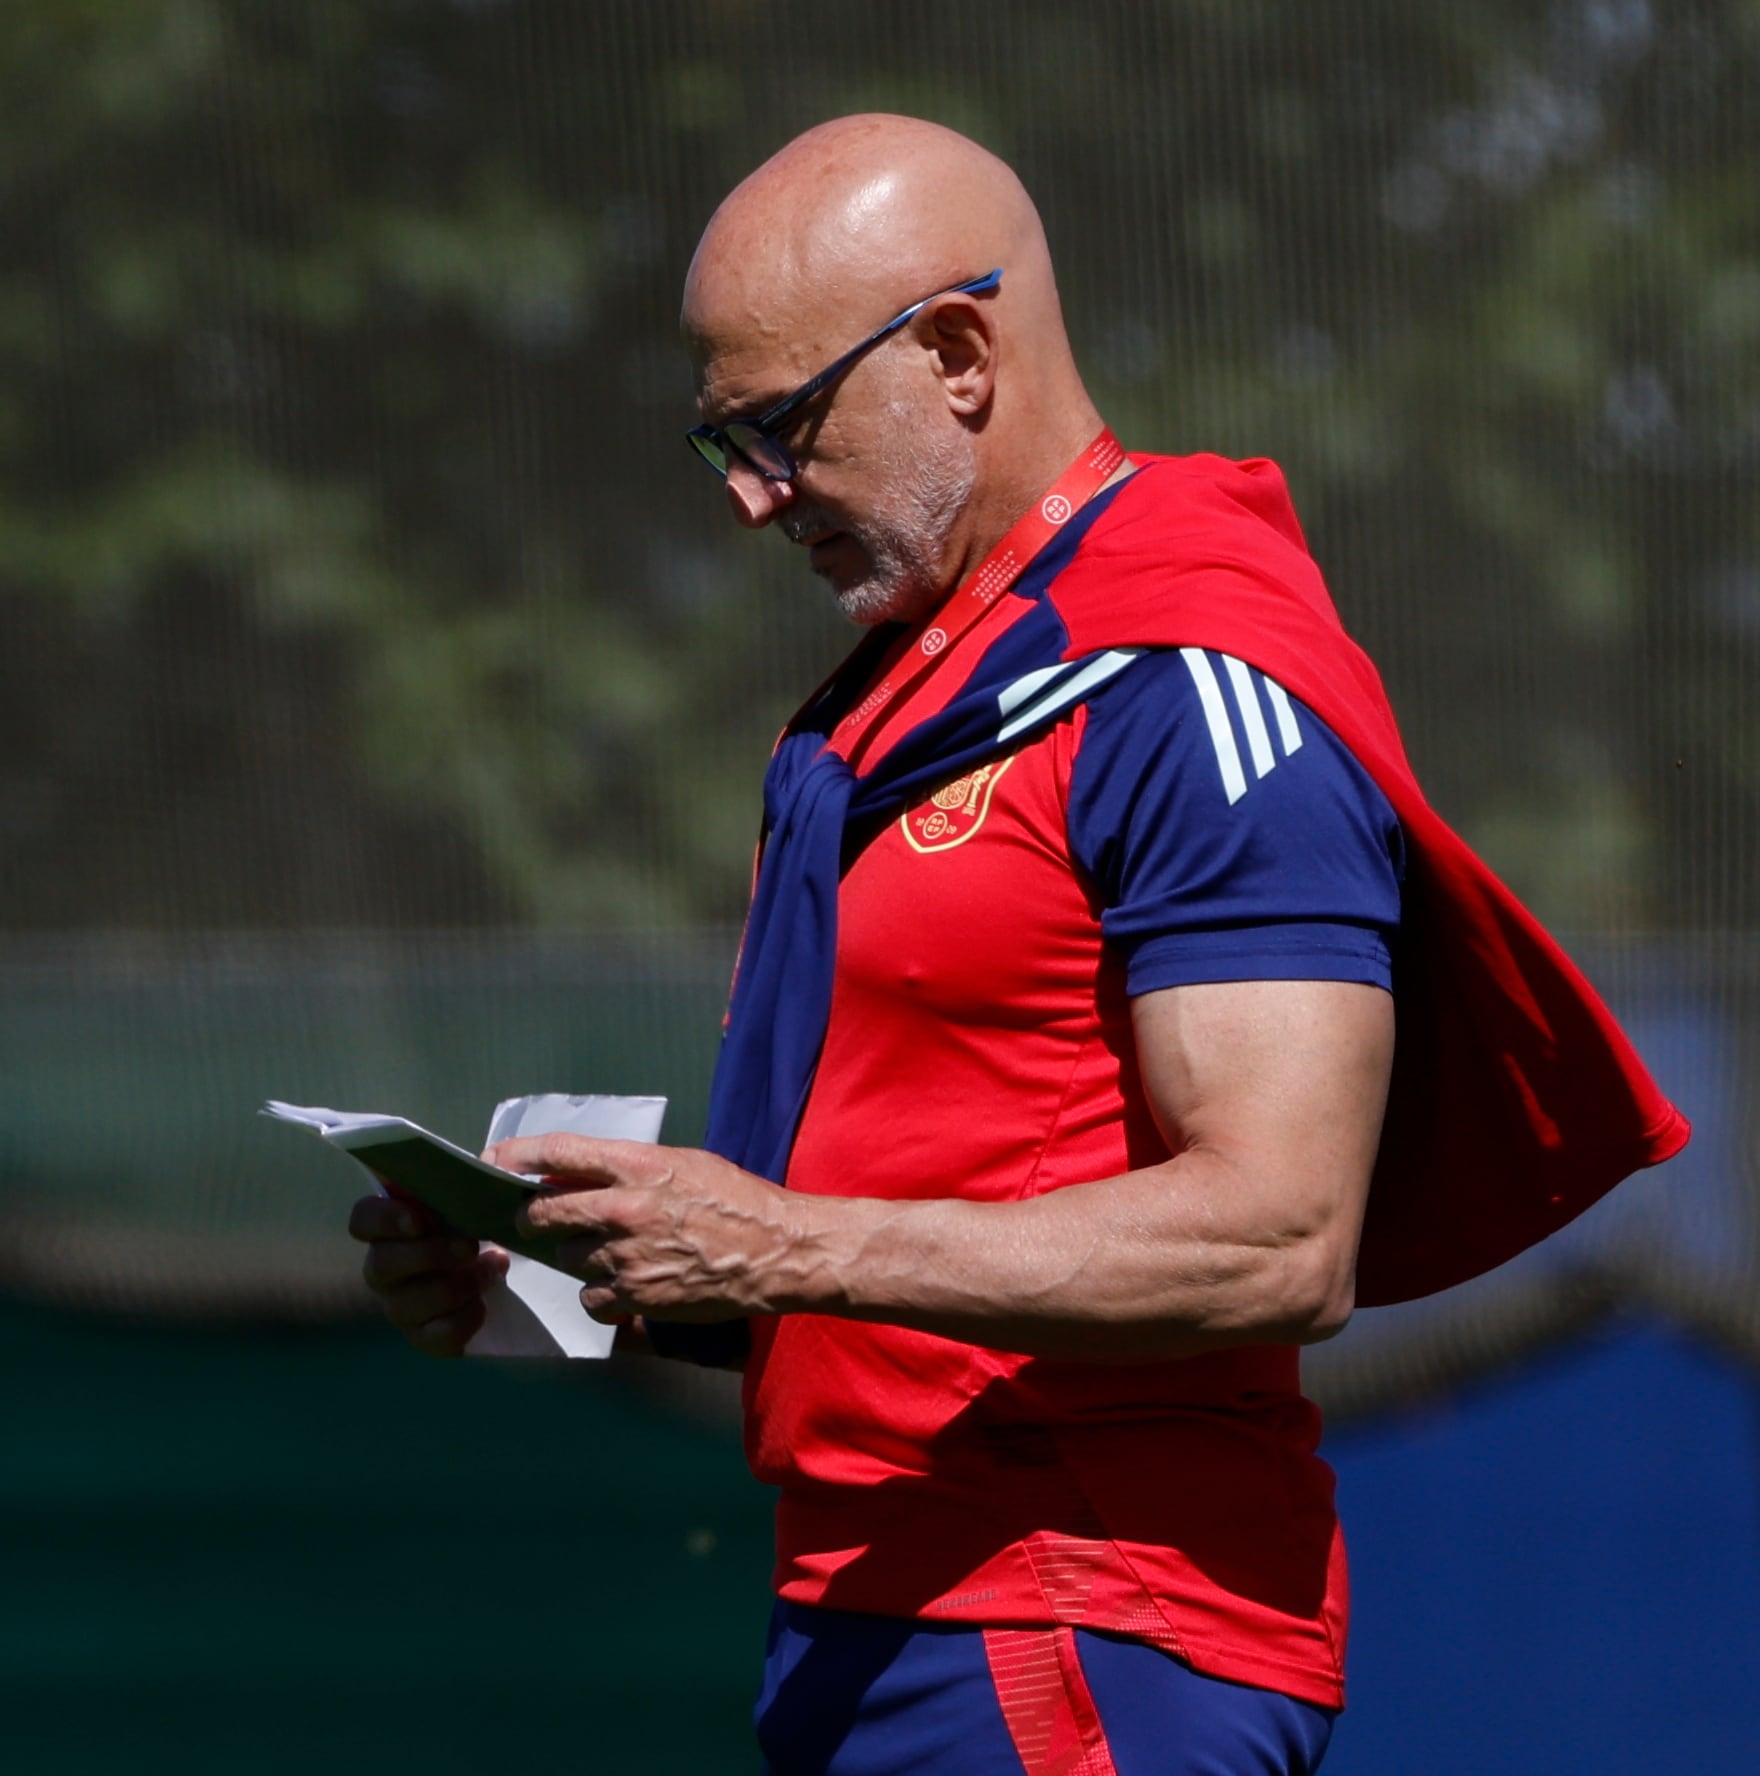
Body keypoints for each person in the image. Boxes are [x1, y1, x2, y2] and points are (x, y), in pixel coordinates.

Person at [348, 115, 1688, 1776]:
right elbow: (879, 1207)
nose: (752, 503)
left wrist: (777, 1247)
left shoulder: (1182, 677)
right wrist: (570, 1268)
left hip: (1082, 1625)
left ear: (960, 353)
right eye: (719, 449)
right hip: (873, 1621)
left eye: (778, 429)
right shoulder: (891, 701)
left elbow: (1279, 1237)